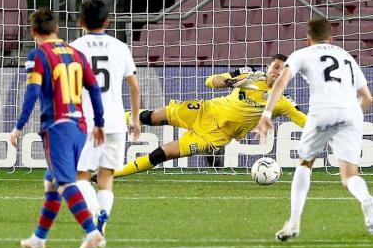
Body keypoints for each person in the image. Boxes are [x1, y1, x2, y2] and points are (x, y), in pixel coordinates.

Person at [255, 18, 373, 240]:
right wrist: (351, 122)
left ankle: (294, 223)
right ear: (331, 38)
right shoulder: (346, 56)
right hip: (351, 113)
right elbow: (366, 97)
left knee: (305, 163)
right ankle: (367, 199)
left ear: (308, 40)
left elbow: (281, 81)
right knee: (349, 177)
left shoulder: (302, 53)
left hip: (322, 111)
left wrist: (267, 114)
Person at [106, 54, 307, 178]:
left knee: (159, 155)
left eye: (283, 69)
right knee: (150, 117)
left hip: (213, 136)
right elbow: (211, 81)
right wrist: (231, 82)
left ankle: (114, 174)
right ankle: (104, 120)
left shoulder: (284, 101)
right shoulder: (248, 74)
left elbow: (304, 121)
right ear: (268, 68)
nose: (277, 72)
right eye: (275, 67)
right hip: (203, 111)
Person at [9, 8, 106, 248]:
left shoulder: (38, 55)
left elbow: (32, 92)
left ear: (33, 31)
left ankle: (92, 232)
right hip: (80, 126)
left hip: (57, 126)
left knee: (64, 182)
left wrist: (19, 126)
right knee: (51, 180)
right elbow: (94, 89)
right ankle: (38, 239)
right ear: (57, 29)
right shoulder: (76, 53)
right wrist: (100, 123)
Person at [70, 0, 141, 241]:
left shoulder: (74, 48)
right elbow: (133, 86)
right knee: (106, 177)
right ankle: (101, 225)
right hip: (115, 122)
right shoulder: (120, 47)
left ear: (81, 22)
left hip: (86, 122)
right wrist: (135, 119)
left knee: (79, 176)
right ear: (107, 21)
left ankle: (96, 216)